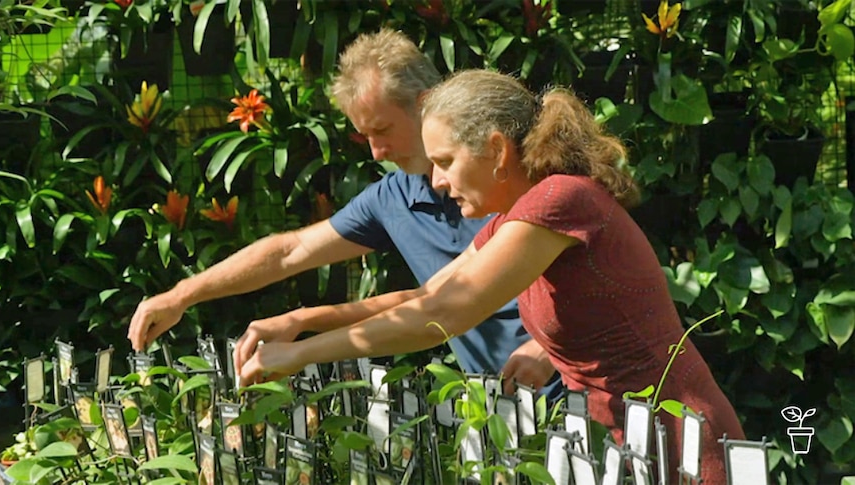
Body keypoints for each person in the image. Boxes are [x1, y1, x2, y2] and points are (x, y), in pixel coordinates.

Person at [237, 69, 745, 484]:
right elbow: (430, 294)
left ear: (498, 151)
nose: (435, 180)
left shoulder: (558, 200)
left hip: (678, 442)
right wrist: (300, 321)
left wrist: (299, 355)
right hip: (624, 444)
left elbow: (444, 316)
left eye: (445, 162)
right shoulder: (516, 216)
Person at [127, 29, 561, 399]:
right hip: (496, 408)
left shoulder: (522, 184)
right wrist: (183, 294)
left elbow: (604, 280)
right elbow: (295, 253)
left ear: (426, 103)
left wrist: (550, 347)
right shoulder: (393, 197)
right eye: (365, 135)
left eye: (383, 130)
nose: (376, 151)